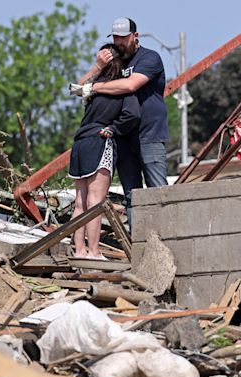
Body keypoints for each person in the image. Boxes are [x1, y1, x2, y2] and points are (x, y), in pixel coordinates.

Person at [78, 17, 169, 229]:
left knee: (158, 191)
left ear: (135, 37)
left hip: (149, 135)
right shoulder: (114, 63)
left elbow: (130, 85)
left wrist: (95, 88)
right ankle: (138, 243)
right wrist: (98, 67)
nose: (119, 43)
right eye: (116, 38)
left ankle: (166, 239)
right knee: (131, 194)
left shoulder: (150, 58)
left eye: (123, 38)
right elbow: (78, 88)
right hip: (121, 136)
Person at [68, 43, 140, 259]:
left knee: (80, 202)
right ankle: (94, 251)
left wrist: (96, 67)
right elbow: (133, 115)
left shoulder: (93, 86)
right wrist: (114, 129)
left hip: (80, 142)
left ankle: (79, 250)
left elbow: (75, 88)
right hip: (100, 141)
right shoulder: (121, 87)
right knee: (96, 201)